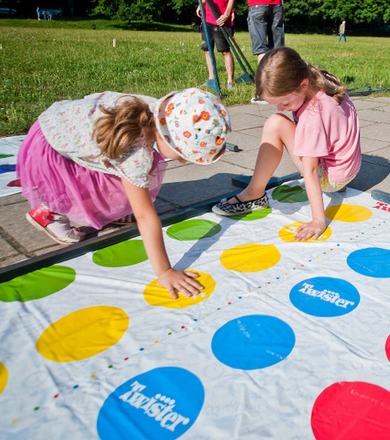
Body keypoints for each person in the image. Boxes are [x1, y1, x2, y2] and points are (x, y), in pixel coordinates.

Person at [17, 88, 231, 298]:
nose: (183, 161)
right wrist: (164, 271)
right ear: (166, 138)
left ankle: (111, 210)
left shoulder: (151, 109)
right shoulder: (135, 154)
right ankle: (50, 213)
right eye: (182, 155)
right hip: (51, 142)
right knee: (111, 186)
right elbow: (145, 217)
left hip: (61, 122)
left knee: (129, 182)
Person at [211, 46, 361, 241]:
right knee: (280, 120)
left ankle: (254, 193)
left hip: (332, 179)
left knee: (275, 123)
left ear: (303, 84)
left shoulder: (312, 116)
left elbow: (309, 171)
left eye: (285, 104)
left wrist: (318, 220)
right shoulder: (322, 79)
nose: (282, 109)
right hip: (350, 166)